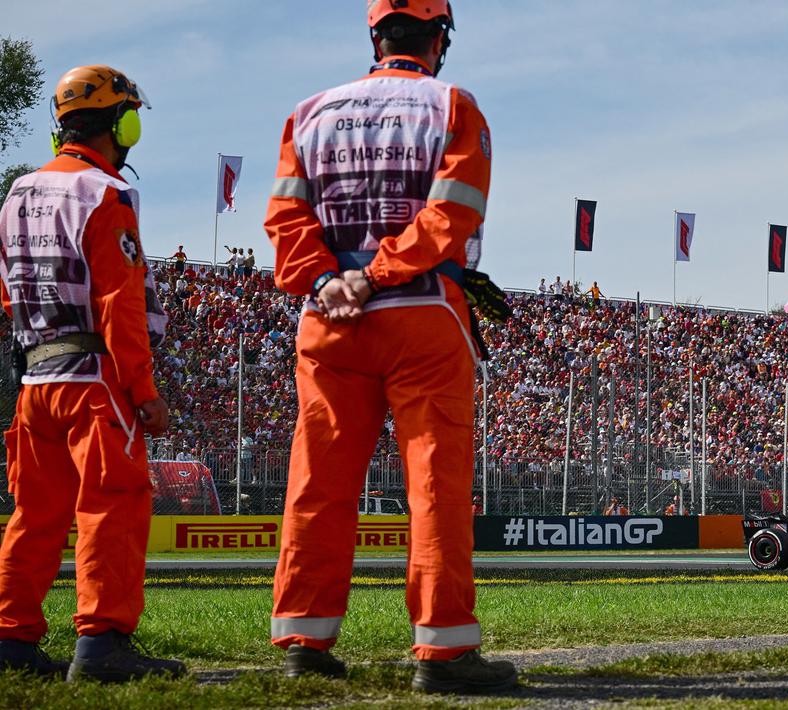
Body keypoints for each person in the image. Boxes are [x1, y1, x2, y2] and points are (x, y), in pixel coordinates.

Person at [263, 1, 516, 692]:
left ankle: (301, 643)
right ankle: (442, 654)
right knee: (433, 483)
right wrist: (376, 274)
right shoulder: (450, 104)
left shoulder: (309, 111)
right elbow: (451, 214)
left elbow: (284, 220)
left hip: (328, 318)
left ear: (374, 36)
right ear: (440, 39)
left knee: (318, 482)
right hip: (420, 311)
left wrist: (329, 280)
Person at [0, 65, 185, 682]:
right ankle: (103, 644)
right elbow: (120, 305)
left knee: (34, 514)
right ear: (119, 122)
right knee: (112, 505)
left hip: (34, 380)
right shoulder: (105, 195)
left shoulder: (17, 194)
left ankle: (12, 639)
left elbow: (7, 294)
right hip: (95, 381)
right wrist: (146, 391)